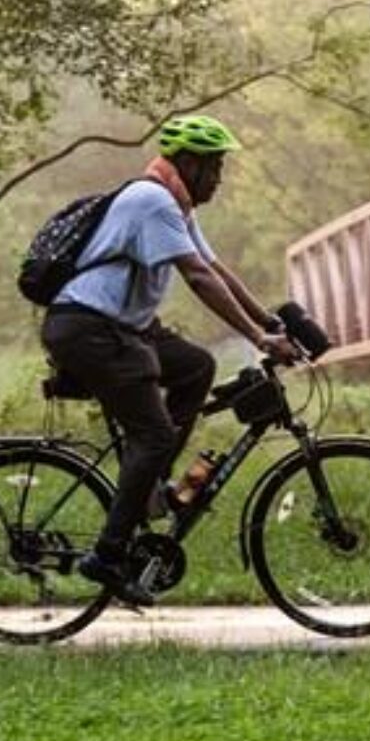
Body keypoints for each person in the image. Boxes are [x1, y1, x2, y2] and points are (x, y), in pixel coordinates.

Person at [42, 114, 296, 607]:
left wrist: (269, 322)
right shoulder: (152, 201)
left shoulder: (175, 206)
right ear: (190, 164)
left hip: (120, 327)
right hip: (90, 328)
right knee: (154, 434)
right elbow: (197, 279)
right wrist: (260, 341)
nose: (220, 178)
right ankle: (109, 555)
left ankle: (150, 485)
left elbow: (215, 269)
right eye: (215, 167)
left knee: (195, 367)